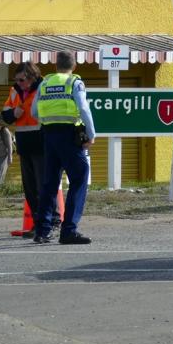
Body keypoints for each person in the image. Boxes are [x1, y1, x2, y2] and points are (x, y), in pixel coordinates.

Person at [31, 51, 96, 245]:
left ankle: (42, 231)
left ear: (56, 65)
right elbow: (84, 108)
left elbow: (34, 111)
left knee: (49, 183)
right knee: (79, 178)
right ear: (74, 66)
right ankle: (68, 230)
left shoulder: (45, 82)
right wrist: (91, 134)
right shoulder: (74, 83)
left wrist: (48, 123)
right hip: (69, 136)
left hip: (48, 135)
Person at [1, 62, 59, 237]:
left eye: (22, 79)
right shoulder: (15, 91)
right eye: (16, 80)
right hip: (25, 144)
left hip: (41, 142)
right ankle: (38, 223)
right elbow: (5, 114)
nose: (19, 83)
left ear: (32, 77)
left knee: (44, 186)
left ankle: (53, 222)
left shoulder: (44, 88)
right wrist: (13, 114)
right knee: (30, 189)